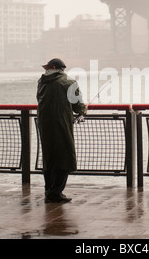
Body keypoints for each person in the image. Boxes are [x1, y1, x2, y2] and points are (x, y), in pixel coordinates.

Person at [36, 58, 87, 203]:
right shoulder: (69, 83)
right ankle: (55, 192)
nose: (45, 70)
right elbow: (78, 106)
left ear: (52, 67)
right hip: (62, 125)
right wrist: (84, 110)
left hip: (44, 124)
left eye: (47, 68)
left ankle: (49, 190)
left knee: (49, 157)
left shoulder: (41, 82)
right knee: (65, 156)